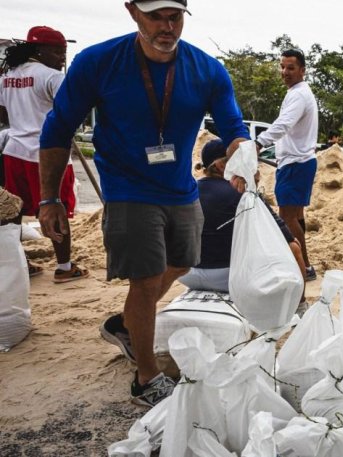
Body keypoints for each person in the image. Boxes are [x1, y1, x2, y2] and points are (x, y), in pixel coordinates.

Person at [38, 0, 250, 407]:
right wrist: (49, 198)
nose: (167, 27)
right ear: (133, 12)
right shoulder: (98, 61)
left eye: (175, 17)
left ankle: (126, 323)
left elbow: (233, 127)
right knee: (147, 278)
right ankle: (145, 377)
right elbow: (58, 129)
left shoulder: (207, 69)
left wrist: (243, 153)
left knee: (185, 262)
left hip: (180, 187)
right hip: (127, 188)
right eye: (156, 16)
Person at [0, 26, 89, 282]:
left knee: (14, 210)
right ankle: (64, 267)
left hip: (14, 151)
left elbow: (2, 113)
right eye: (58, 51)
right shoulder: (52, 77)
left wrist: (22, 118)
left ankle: (20, 262)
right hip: (48, 153)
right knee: (54, 207)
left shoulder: (8, 77)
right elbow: (70, 113)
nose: (62, 57)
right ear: (40, 50)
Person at [178, 139, 305, 293]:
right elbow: (289, 242)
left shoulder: (185, 191)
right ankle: (300, 309)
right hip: (227, 275)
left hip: (185, 273)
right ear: (221, 166)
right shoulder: (242, 193)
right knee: (294, 248)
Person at [253, 48, 319, 282]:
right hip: (299, 162)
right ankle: (304, 263)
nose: (285, 72)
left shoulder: (299, 95)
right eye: (282, 67)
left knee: (288, 217)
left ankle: (304, 266)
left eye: (291, 68)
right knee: (296, 216)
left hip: (295, 163)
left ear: (302, 70)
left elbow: (284, 124)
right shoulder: (298, 92)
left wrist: (259, 143)